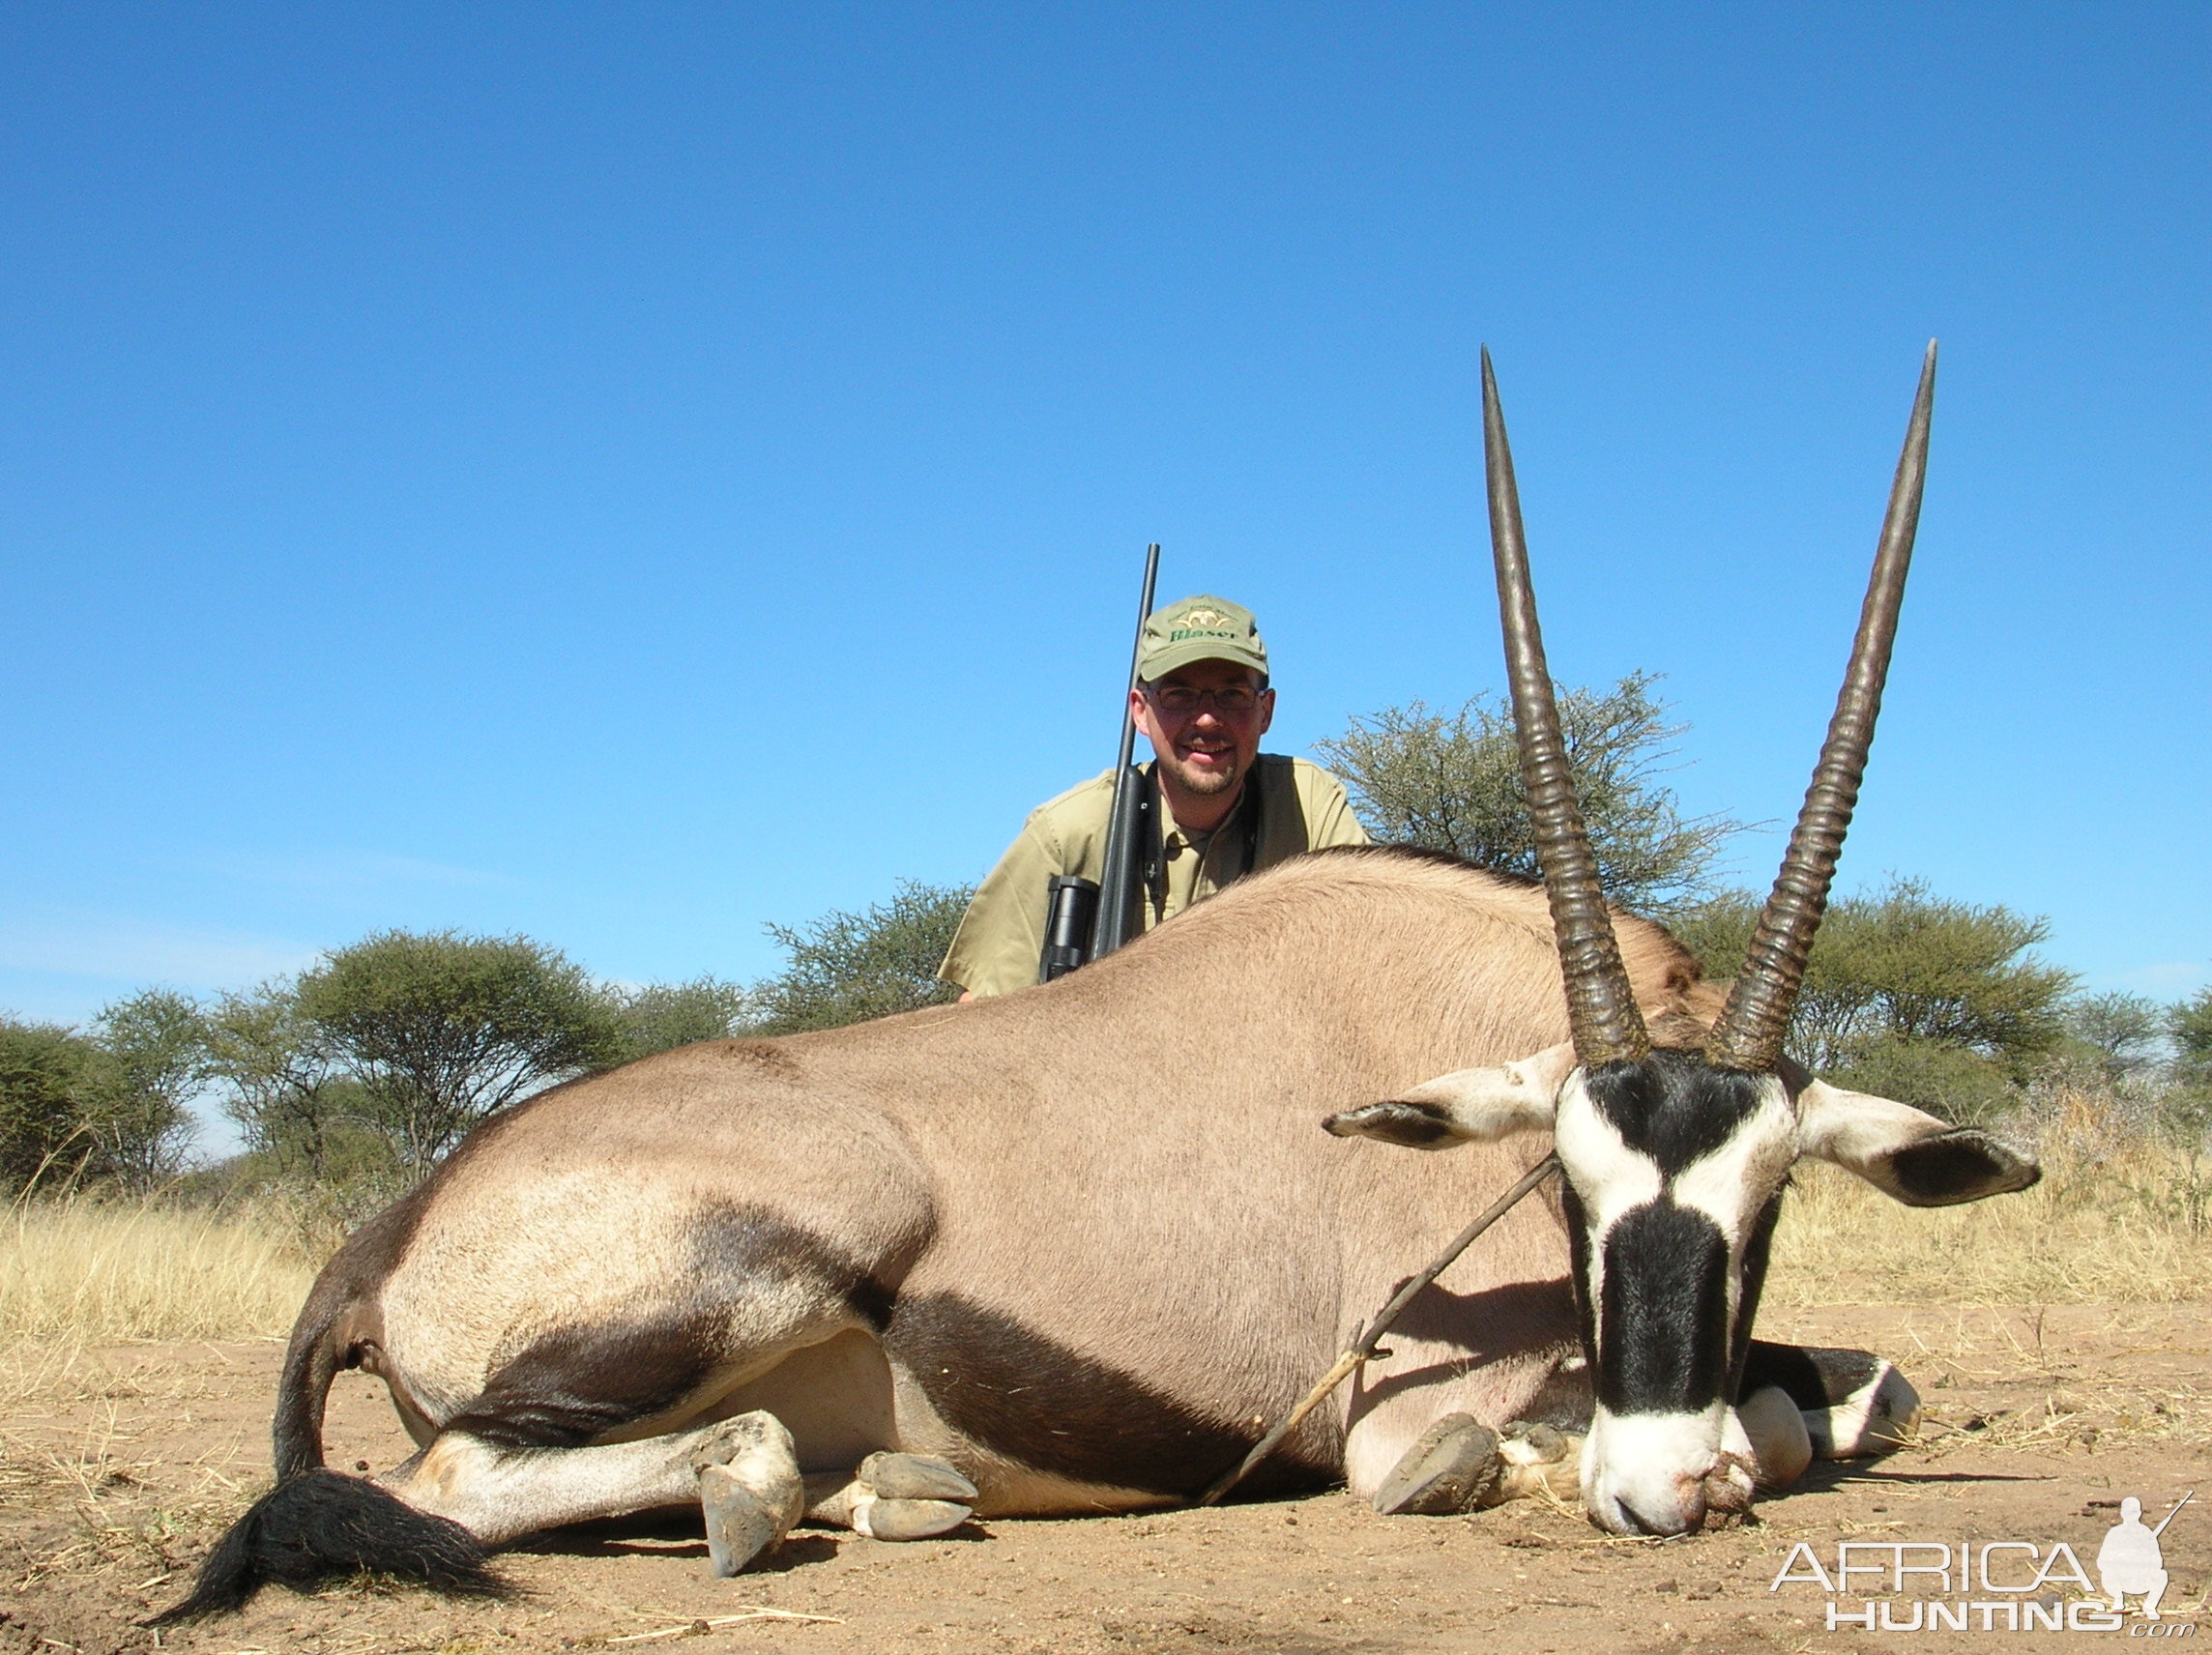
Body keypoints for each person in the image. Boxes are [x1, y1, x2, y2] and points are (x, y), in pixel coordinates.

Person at [939, 594, 1370, 1000]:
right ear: (1140, 711)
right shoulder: (1066, 832)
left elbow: (1374, 957)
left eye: (1233, 695)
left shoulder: (1311, 805)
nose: (1206, 718)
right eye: (1178, 694)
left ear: (1266, 711)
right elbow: (983, 1008)